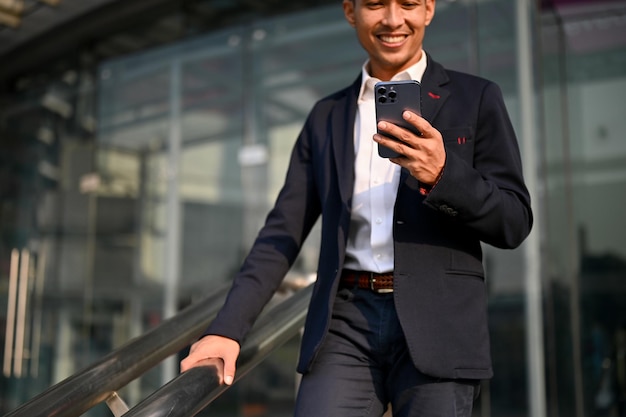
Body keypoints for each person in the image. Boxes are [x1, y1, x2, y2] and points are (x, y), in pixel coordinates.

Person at [181, 0, 533, 416]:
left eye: (408, 4)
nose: (392, 19)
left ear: (429, 9)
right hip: (345, 321)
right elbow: (282, 232)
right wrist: (226, 330)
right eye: (374, 4)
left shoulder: (476, 98)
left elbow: (513, 221)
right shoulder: (326, 116)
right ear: (351, 12)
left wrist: (443, 174)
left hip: (440, 323)